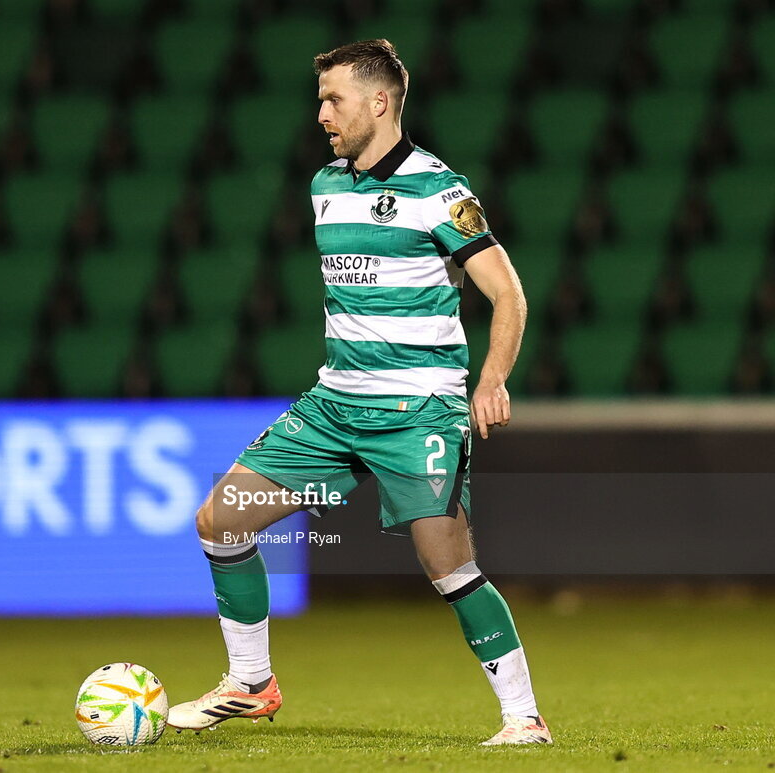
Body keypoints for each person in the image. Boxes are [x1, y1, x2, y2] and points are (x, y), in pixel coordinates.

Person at [168, 39, 551, 746]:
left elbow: (508, 294)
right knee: (222, 521)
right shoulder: (325, 186)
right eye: (320, 99)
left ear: (380, 102)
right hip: (334, 409)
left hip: (417, 411)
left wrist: (491, 379)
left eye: (333, 98)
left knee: (448, 563)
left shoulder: (442, 191)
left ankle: (523, 718)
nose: (321, 113)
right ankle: (251, 683)